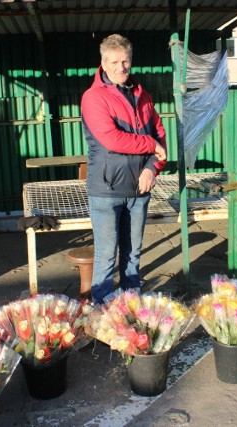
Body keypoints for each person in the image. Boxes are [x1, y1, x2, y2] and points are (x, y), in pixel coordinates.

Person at [80, 34, 167, 304]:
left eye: (126, 61)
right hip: (107, 190)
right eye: (115, 62)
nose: (121, 67)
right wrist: (150, 144)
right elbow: (111, 139)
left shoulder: (143, 96)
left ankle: (131, 310)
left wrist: (152, 168)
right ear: (103, 63)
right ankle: (102, 316)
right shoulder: (93, 98)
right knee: (106, 255)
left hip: (140, 188)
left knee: (132, 256)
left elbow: (161, 137)